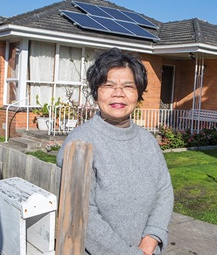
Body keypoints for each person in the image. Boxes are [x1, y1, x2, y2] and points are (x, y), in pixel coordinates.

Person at [56, 47, 174, 255]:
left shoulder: (147, 141)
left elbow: (163, 192)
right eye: (108, 85)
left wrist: (150, 240)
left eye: (128, 86)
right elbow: (83, 214)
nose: (118, 93)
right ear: (96, 92)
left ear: (138, 94)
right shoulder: (80, 143)